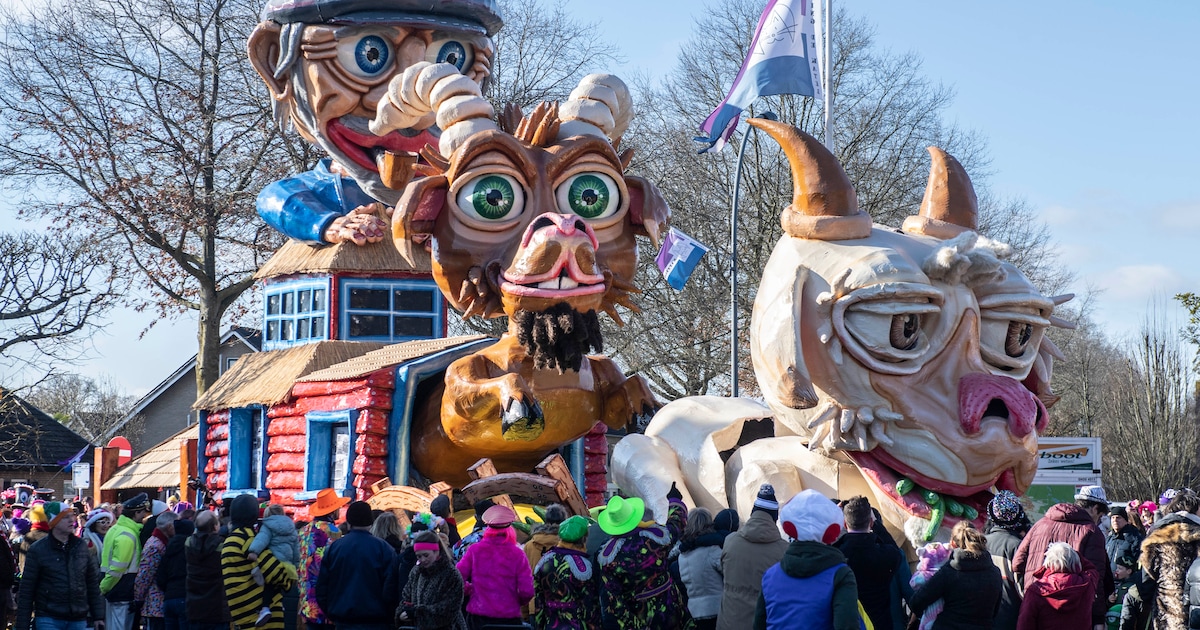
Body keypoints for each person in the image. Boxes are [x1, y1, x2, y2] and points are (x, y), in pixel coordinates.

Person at [246, 0, 502, 246]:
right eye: (369, 54)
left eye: (450, 61)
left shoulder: (451, 195)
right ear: (275, 60)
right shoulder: (318, 191)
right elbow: (275, 200)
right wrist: (329, 225)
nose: (418, 114)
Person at [753, 490, 860, 630]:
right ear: (831, 530)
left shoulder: (770, 575)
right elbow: (847, 626)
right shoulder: (840, 575)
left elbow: (759, 625)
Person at [1012, 485, 1114, 629]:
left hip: (1037, 600)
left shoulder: (1040, 525)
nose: (1098, 521)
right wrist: (1098, 619)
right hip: (1075, 609)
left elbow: (1017, 563)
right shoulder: (1092, 532)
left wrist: (1027, 589)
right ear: (1095, 508)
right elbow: (1097, 578)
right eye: (1100, 515)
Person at [598, 485, 689, 629]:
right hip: (671, 611)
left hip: (641, 618)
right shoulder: (655, 538)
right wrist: (674, 501)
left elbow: (614, 602)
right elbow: (676, 525)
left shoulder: (608, 557)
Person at [13, 502, 105, 630]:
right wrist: (22, 624)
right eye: (65, 517)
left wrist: (98, 616)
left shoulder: (80, 546)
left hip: (77, 617)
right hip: (49, 616)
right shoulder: (39, 549)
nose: (71, 520)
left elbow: (91, 583)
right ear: (54, 522)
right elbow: (27, 588)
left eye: (71, 516)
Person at [314, 501, 396, 630]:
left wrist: (331, 611)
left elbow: (322, 587)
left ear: (348, 521)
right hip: (376, 621)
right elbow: (391, 588)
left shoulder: (335, 548)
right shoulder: (384, 549)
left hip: (342, 619)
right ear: (370, 522)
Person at [909, 521, 1002, 630]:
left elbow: (916, 602)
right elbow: (995, 611)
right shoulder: (995, 573)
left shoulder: (949, 572)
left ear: (952, 543)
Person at [718, 484, 788, 630]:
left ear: (753, 513)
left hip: (728, 623)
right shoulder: (784, 551)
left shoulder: (730, 542)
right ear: (775, 517)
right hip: (764, 624)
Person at [221, 494, 296, 630]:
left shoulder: (230, 540)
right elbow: (278, 574)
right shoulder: (248, 539)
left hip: (242, 616)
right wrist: (289, 578)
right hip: (261, 620)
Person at [457, 504, 534, 629]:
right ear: (510, 529)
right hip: (509, 618)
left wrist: (470, 590)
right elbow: (527, 591)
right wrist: (515, 600)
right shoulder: (518, 554)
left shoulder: (475, 550)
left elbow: (457, 578)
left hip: (479, 617)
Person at [834, 496, 902, 630]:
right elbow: (896, 551)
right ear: (871, 523)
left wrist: (831, 519)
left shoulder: (836, 554)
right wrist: (878, 525)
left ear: (845, 524)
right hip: (881, 623)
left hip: (850, 623)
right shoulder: (885, 554)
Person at [1135, 490, 1200, 629]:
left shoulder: (1156, 535)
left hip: (1166, 609)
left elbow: (1147, 579)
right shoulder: (1197, 532)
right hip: (1195, 609)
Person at [532, 515, 600, 629]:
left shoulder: (545, 561)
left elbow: (538, 602)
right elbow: (589, 606)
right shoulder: (582, 567)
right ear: (583, 539)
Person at [1016, 542, 1098, 630]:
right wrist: (1071, 554)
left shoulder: (1036, 589)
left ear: (1048, 563)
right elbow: (1091, 568)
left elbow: (1025, 624)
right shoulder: (1087, 584)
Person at [297, 489, 347, 630]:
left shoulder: (303, 531)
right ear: (332, 512)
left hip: (306, 602)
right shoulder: (333, 532)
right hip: (325, 603)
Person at [398, 530, 467, 630]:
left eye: (426, 555)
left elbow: (448, 609)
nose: (422, 560)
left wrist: (417, 612)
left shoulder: (451, 574)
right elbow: (406, 596)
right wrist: (402, 612)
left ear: (436, 551)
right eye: (419, 556)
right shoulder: (416, 572)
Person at [101, 493, 150, 630]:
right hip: (122, 591)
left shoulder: (115, 530)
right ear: (136, 513)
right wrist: (104, 587)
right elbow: (118, 568)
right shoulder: (128, 535)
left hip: (114, 590)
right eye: (142, 513)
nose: (144, 516)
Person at [986, 490, 1032, 630]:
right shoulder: (1018, 546)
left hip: (982, 616)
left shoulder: (980, 544)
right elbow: (1023, 589)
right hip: (1010, 617)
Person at [248, 504, 299, 626]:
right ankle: (277, 606)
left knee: (266, 584)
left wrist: (253, 551)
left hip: (273, 563)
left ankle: (265, 608)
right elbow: (296, 549)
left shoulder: (268, 526)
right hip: (287, 566)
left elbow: (262, 539)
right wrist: (296, 565)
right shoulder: (292, 527)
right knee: (277, 587)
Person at [678, 507, 728, 630]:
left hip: (694, 612)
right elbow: (730, 572)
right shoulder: (712, 551)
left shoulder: (682, 555)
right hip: (716, 609)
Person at [184, 511, 230, 630]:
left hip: (194, 608)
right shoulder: (223, 546)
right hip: (217, 609)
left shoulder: (189, 543)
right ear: (215, 527)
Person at [134, 511, 177, 630]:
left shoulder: (160, 542)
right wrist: (138, 599)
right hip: (155, 604)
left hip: (159, 604)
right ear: (169, 527)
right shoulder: (155, 546)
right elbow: (144, 575)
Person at [523, 504, 567, 618]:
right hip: (562, 605)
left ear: (546, 520)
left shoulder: (529, 546)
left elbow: (524, 578)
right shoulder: (567, 544)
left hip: (535, 605)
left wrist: (524, 611)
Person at [155, 519, 193, 630]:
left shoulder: (168, 549)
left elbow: (160, 577)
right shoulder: (190, 550)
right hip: (184, 596)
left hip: (169, 598)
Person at [1106, 506, 1144, 574]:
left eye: (1118, 517)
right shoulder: (1109, 538)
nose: (1115, 520)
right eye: (1113, 518)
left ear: (1126, 520)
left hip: (1126, 581)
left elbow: (1139, 563)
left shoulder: (1134, 538)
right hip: (1108, 580)